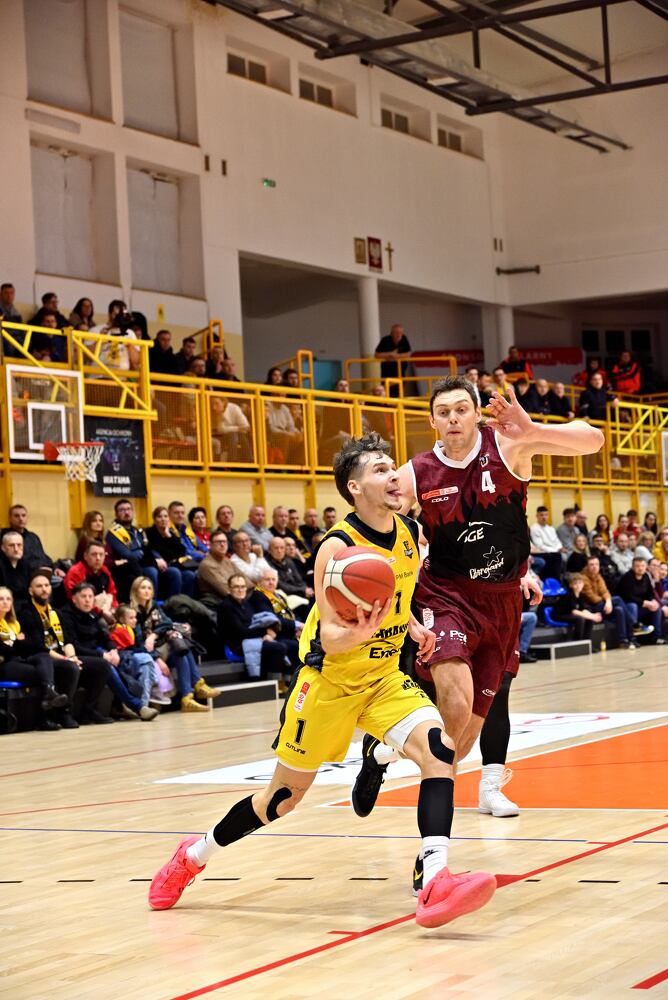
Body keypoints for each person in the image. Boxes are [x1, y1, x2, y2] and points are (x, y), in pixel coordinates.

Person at [150, 432, 497, 928]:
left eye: (392, 467)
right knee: (280, 801)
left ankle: (435, 876)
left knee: (440, 750)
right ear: (355, 487)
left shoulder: (406, 532)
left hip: (383, 679)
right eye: (379, 469)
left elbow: (397, 597)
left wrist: (414, 627)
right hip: (329, 683)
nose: (392, 475)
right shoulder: (337, 547)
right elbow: (330, 636)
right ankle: (193, 855)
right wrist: (361, 632)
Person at [350, 377, 603, 862]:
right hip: (446, 595)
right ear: (432, 421)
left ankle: (379, 753)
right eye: (443, 411)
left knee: (460, 740)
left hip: (502, 602)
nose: (453, 418)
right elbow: (373, 511)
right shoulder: (417, 471)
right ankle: (434, 855)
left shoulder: (509, 444)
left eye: (461, 409)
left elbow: (593, 439)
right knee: (455, 699)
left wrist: (534, 429)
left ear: (476, 414)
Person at [21, 572, 111, 729]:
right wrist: (66, 659)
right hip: (42, 658)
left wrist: (72, 656)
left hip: (62, 656)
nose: (44, 589)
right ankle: (64, 712)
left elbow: (67, 640)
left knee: (102, 665)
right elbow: (39, 646)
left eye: (47, 585)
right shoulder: (26, 612)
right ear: (31, 591)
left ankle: (89, 710)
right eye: (39, 586)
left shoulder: (56, 613)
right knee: (71, 667)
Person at [130, 576, 221, 712]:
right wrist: (158, 659)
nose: (147, 591)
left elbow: (167, 623)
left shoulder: (154, 607)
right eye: (143, 588)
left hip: (160, 648)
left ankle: (188, 697)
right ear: (135, 591)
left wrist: (153, 636)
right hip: (147, 655)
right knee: (180, 649)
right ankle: (196, 686)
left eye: (149, 588)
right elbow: (138, 643)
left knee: (182, 651)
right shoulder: (132, 612)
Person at [0, 585, 69, 730]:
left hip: (18, 660)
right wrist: (17, 642)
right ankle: (45, 715)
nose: (5, 602)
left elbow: (28, 645)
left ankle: (49, 693)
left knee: (44, 657)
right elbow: (6, 650)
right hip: (5, 665)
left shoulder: (14, 623)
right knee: (43, 674)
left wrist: (14, 644)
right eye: (1, 599)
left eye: (8, 599)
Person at [106, 498, 158, 600]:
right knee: (151, 571)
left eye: (129, 509)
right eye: (122, 510)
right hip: (128, 568)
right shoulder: (113, 533)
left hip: (142, 563)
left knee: (173, 572)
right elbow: (127, 554)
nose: (126, 513)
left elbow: (148, 548)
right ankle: (151, 602)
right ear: (116, 514)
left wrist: (157, 558)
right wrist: (142, 552)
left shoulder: (136, 530)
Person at [581, 555, 635, 648]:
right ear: (587, 566)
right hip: (592, 608)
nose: (594, 567)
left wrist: (608, 601)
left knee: (619, 610)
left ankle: (623, 640)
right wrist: (607, 601)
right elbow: (592, 598)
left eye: (596, 564)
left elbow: (605, 591)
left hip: (602, 605)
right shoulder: (583, 578)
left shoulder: (598, 576)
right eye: (591, 565)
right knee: (618, 599)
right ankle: (633, 624)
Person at [145, 506, 197, 597]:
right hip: (157, 565)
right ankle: (173, 602)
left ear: (169, 519)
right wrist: (170, 554)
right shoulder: (149, 532)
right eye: (159, 516)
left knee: (190, 575)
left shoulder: (171, 533)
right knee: (175, 572)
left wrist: (168, 536)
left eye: (165, 516)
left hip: (173, 564)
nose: (163, 519)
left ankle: (186, 602)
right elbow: (156, 550)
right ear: (154, 520)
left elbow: (181, 552)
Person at [63, 540, 118, 622]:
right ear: (85, 556)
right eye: (94, 554)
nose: (98, 558)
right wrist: (101, 612)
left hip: (104, 609)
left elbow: (112, 593)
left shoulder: (105, 571)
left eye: (101, 555)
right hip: (80, 613)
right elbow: (75, 600)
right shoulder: (75, 572)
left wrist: (114, 609)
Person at [2, 504, 61, 577]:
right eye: (16, 516)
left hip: (43, 571)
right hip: (22, 574)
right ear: (10, 518)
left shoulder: (33, 537)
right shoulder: (5, 537)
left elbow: (43, 556)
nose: (21, 519)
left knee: (63, 577)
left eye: (23, 515)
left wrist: (55, 568)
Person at [197, 530, 250, 606]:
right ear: (210, 545)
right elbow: (226, 590)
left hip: (238, 598)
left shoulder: (227, 561)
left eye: (224, 542)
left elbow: (246, 581)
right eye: (219, 542)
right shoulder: (207, 565)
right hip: (220, 603)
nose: (222, 544)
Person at [615, 557, 662, 641]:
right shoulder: (627, 577)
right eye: (637, 566)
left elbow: (650, 593)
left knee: (656, 608)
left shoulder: (646, 576)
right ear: (633, 567)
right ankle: (632, 638)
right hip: (627, 606)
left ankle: (656, 637)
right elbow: (628, 597)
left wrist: (653, 601)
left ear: (646, 567)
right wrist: (645, 603)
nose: (640, 568)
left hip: (642, 606)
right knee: (633, 606)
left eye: (642, 566)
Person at [553, 574, 602, 643]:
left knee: (589, 619)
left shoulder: (581, 595)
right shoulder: (569, 595)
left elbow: (583, 609)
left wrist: (592, 615)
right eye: (575, 583)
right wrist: (592, 617)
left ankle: (586, 641)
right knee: (580, 619)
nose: (578, 586)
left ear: (583, 584)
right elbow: (574, 611)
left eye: (580, 583)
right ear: (571, 585)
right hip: (560, 615)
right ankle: (578, 641)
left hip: (571, 614)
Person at [374, 324, 412, 396]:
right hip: (387, 372)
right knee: (387, 392)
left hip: (400, 372)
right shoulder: (385, 340)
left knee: (399, 393)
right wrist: (389, 354)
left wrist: (396, 356)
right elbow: (377, 355)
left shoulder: (404, 339)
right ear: (391, 333)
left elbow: (408, 354)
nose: (398, 335)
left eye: (400, 333)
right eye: (396, 332)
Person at [530, 507, 565, 580]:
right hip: (543, 551)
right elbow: (539, 545)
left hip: (553, 551)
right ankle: (552, 580)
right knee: (555, 556)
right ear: (537, 516)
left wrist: (560, 547)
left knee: (559, 555)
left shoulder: (551, 528)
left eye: (546, 515)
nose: (544, 517)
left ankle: (558, 580)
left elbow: (556, 541)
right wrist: (555, 550)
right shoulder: (534, 528)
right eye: (541, 515)